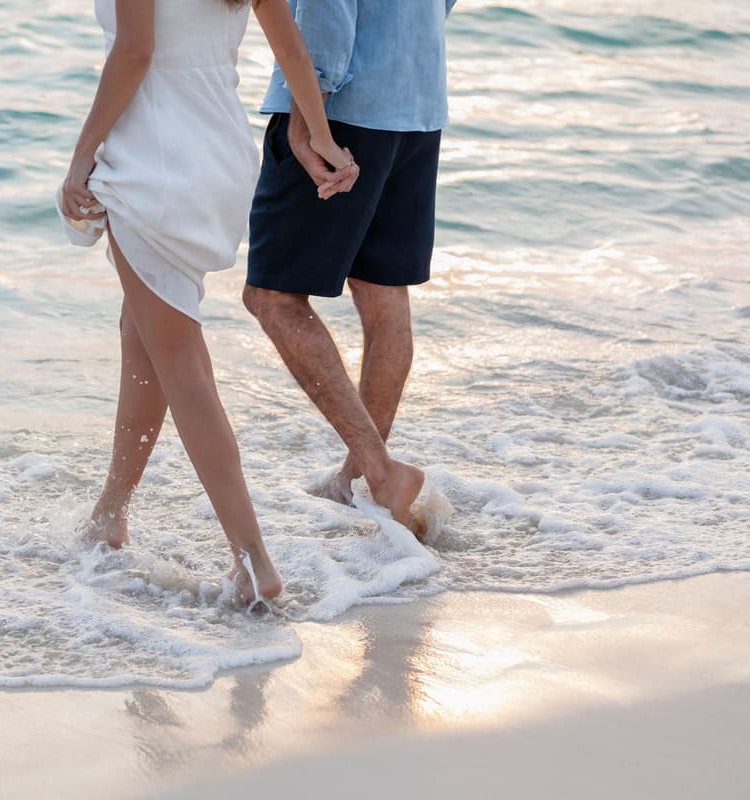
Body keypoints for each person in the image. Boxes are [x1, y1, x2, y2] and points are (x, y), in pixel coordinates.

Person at [58, 0, 359, 606]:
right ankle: (110, 514)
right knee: (141, 337)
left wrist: (80, 157)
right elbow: (293, 48)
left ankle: (253, 563)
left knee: (183, 366)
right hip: (219, 155)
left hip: (154, 159)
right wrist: (323, 141)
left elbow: (135, 52)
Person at [242, 0, 457, 533]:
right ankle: (359, 481)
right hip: (417, 99)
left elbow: (326, 8)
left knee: (272, 296)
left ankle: (380, 474)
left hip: (342, 107)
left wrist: (306, 117)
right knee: (384, 293)